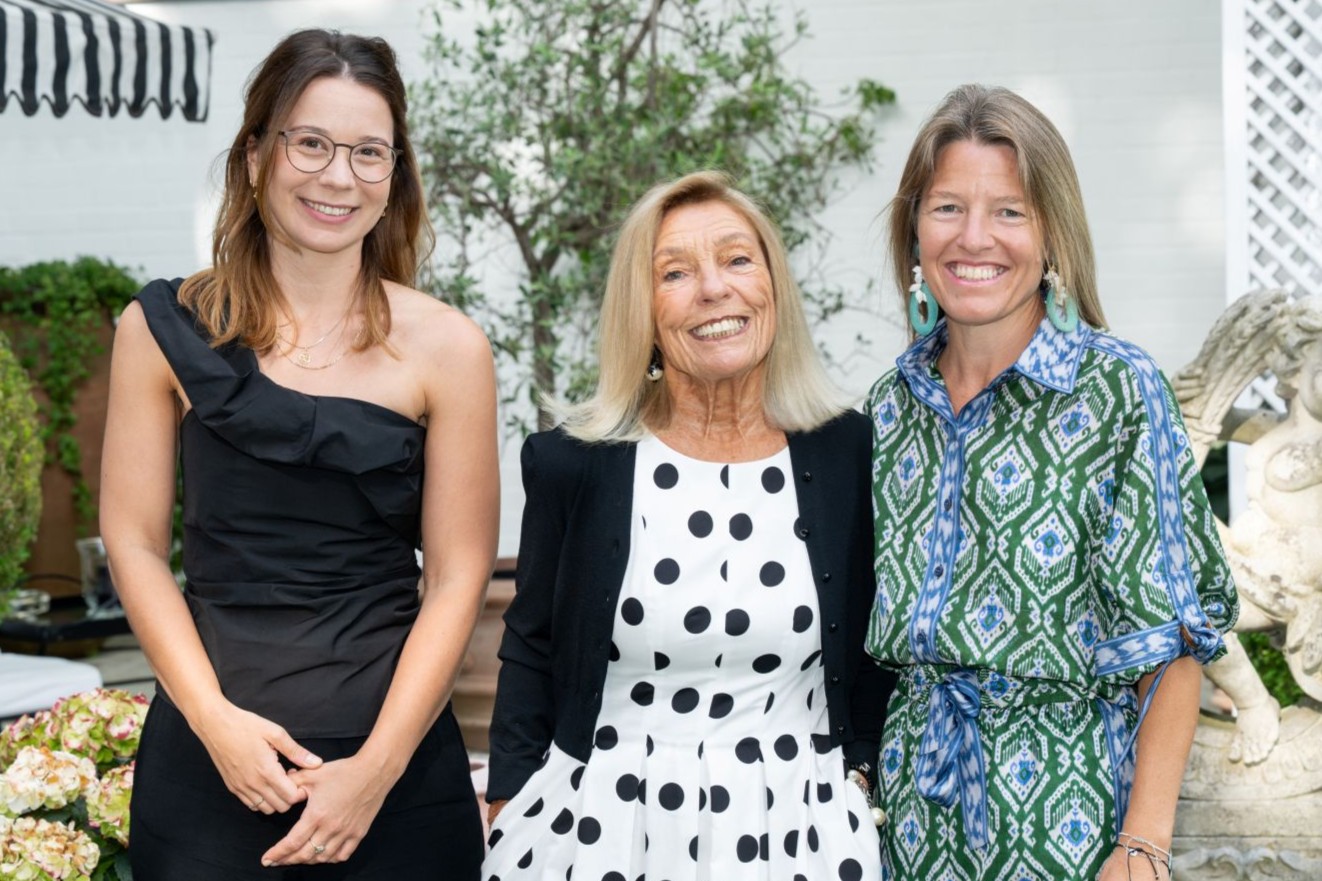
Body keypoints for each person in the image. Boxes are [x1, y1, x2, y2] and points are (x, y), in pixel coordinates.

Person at [100, 29, 496, 880]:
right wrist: (213, 721)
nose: (338, 176)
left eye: (368, 152)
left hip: (395, 780)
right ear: (255, 156)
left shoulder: (450, 349)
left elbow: (459, 575)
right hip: (210, 769)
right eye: (310, 142)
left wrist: (376, 772)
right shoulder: (161, 330)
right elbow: (132, 542)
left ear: (395, 176)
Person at [865, 84, 1239, 881]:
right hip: (910, 819)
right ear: (914, 233)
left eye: (1009, 211)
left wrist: (1142, 844)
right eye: (946, 209)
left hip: (1069, 819)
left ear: (1052, 234)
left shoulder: (1116, 389)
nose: (975, 238)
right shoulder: (892, 405)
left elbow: (1172, 642)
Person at [481, 170, 895, 881]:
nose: (713, 288)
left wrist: (859, 776)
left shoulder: (849, 452)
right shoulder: (572, 463)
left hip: (799, 828)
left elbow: (872, 651)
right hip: (606, 826)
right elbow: (531, 647)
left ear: (774, 286)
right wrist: (508, 806)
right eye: (676, 272)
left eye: (737, 259)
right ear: (643, 310)